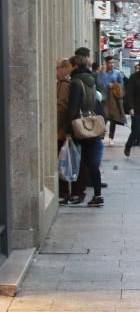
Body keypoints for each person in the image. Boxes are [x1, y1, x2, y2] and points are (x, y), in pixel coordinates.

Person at [66, 52, 104, 207]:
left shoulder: (75, 82)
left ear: (75, 65)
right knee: (92, 162)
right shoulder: (91, 80)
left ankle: (78, 193)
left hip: (80, 125)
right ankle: (97, 194)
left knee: (80, 161)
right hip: (92, 122)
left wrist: (69, 128)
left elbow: (73, 108)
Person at [56, 58, 74, 204]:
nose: (56, 71)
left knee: (61, 161)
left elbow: (61, 108)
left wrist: (59, 128)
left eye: (57, 68)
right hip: (65, 129)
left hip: (61, 131)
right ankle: (66, 191)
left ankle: (64, 192)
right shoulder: (69, 83)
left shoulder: (63, 85)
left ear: (65, 68)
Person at [96, 56, 126, 141]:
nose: (112, 64)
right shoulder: (101, 73)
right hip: (104, 99)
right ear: (105, 63)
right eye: (109, 63)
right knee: (103, 117)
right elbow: (99, 84)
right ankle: (101, 135)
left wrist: (114, 85)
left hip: (113, 99)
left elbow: (122, 86)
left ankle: (111, 137)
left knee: (113, 118)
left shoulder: (117, 73)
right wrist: (102, 72)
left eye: (113, 62)